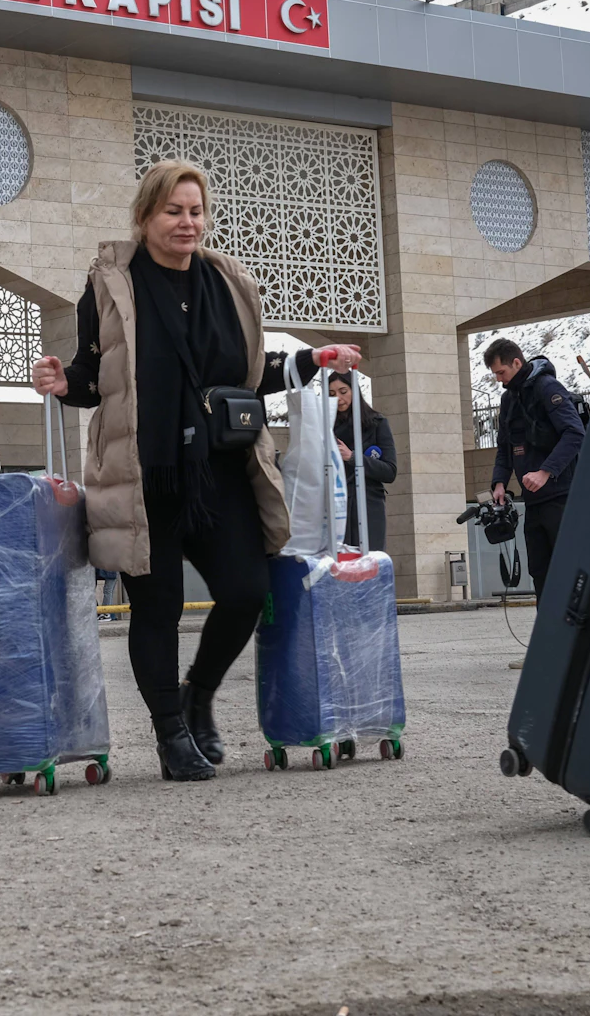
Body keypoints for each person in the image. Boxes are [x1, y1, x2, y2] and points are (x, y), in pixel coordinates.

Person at [32, 159, 361, 781]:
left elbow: (252, 376)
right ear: (145, 216)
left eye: (195, 211)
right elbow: (93, 374)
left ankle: (198, 694)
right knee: (156, 609)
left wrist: (314, 358)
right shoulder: (110, 286)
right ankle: (170, 735)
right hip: (145, 472)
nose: (187, 223)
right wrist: (61, 382)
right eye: (173, 211)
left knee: (246, 591)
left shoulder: (227, 283)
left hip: (222, 469)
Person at [485, 339, 586, 599]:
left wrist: (545, 472)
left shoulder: (547, 387)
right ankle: (547, 633)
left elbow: (575, 433)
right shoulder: (508, 399)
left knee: (568, 569)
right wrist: (499, 483)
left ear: (516, 363)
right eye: (495, 374)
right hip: (533, 503)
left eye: (501, 372)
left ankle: (573, 634)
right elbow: (505, 447)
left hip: (562, 497)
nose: (498, 379)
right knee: (539, 571)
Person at [329, 370, 398, 553]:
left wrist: (352, 457)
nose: (339, 398)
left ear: (354, 390)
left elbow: (390, 471)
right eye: (332, 394)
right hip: (336, 506)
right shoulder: (326, 428)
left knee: (368, 565)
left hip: (368, 505)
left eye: (343, 391)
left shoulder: (377, 423)